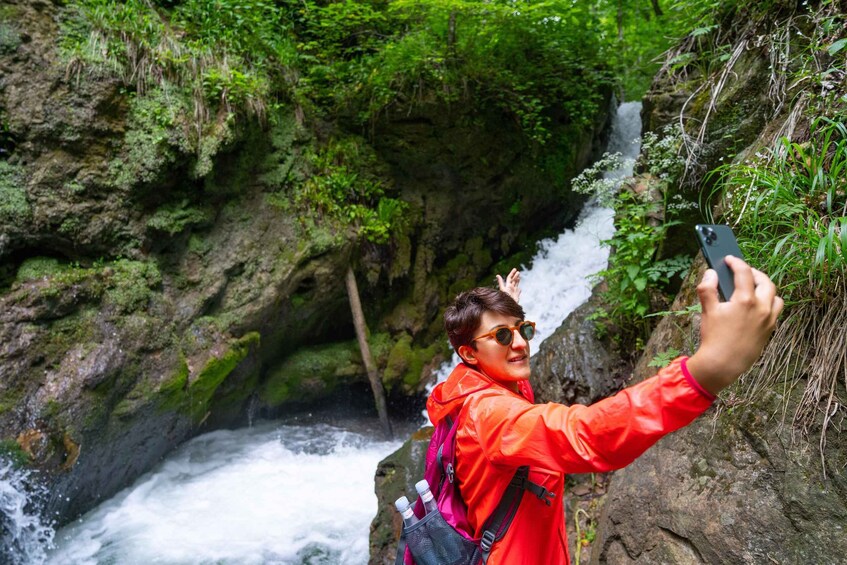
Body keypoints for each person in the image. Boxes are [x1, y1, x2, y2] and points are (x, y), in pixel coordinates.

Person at [426, 257, 783, 564]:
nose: (520, 343)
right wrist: (703, 373)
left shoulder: (474, 384)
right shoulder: (491, 415)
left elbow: (514, 383)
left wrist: (505, 312)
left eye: (523, 330)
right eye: (503, 336)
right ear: (469, 354)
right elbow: (586, 435)